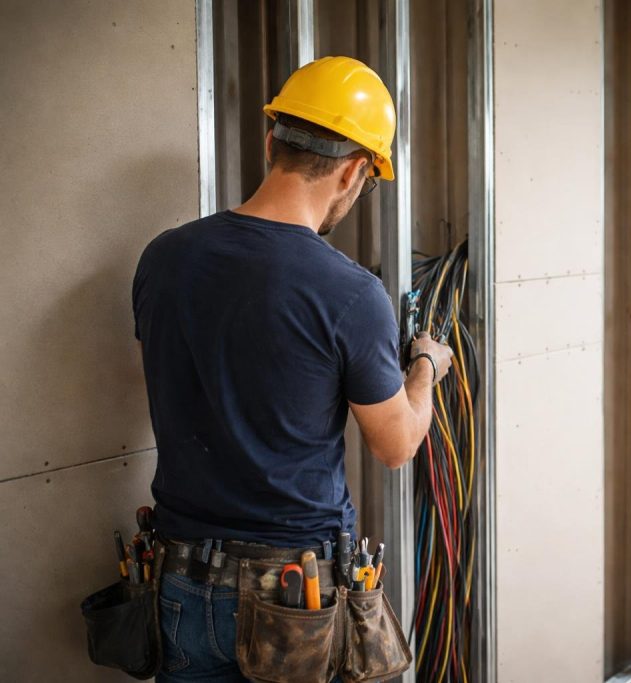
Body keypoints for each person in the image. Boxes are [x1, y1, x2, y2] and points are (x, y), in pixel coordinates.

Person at [131, 56, 452, 682]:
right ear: (358, 170)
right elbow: (395, 444)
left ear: (272, 139)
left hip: (177, 577)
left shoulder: (163, 259)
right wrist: (424, 367)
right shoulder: (350, 293)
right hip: (292, 595)